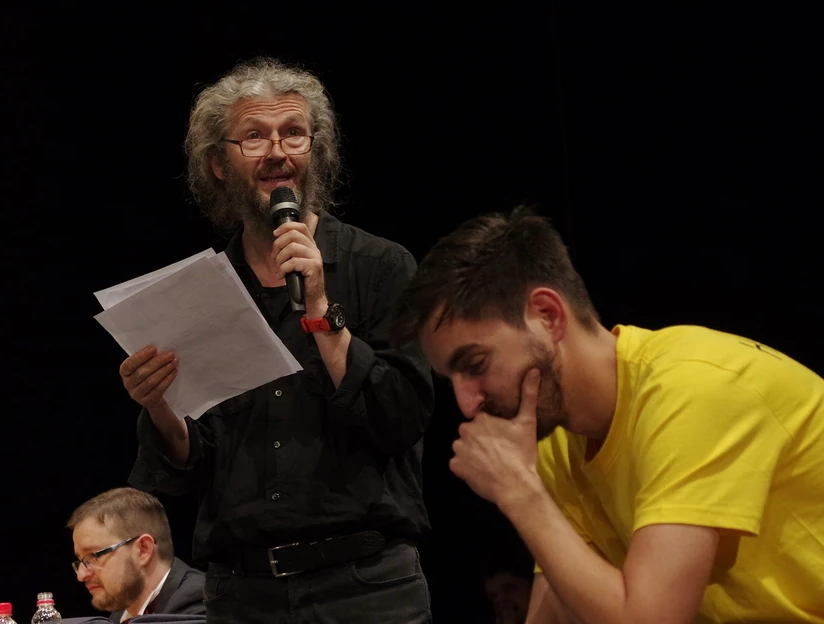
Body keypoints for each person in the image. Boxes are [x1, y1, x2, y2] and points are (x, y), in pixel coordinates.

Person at [392, 206, 824, 623]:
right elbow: (560, 608)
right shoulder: (558, 439)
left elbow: (650, 620)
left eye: (476, 365)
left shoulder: (691, 389)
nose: (467, 405)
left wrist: (519, 491)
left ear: (548, 315)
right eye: (451, 380)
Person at [116, 57, 433, 623]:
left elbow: (402, 418)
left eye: (293, 133)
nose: (277, 152)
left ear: (317, 151)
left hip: (366, 587)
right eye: (254, 137)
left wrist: (321, 309)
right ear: (219, 163)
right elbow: (189, 470)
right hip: (243, 594)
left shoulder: (380, 266)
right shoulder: (201, 293)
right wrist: (158, 403)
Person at [67, 487, 207, 623]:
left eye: (93, 556)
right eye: (81, 561)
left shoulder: (203, 601)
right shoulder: (119, 615)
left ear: (143, 550)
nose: (81, 575)